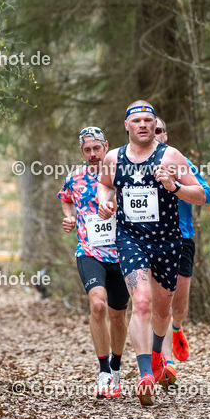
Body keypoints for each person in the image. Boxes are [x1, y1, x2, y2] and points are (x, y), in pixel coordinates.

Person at [97, 102, 206, 407]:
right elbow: (104, 186)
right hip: (131, 238)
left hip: (168, 241)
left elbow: (201, 195)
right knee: (141, 302)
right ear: (126, 125)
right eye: (137, 120)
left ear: (154, 124)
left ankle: (158, 354)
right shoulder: (113, 157)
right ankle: (146, 375)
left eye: (148, 120)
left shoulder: (171, 156)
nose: (143, 125)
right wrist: (104, 203)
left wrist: (173, 187)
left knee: (161, 311)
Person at [58, 126, 129, 398]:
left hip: (122, 254)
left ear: (106, 146)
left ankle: (117, 366)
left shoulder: (122, 175)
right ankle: (103, 370)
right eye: (87, 150)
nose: (92, 154)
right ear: (82, 151)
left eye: (97, 148)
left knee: (118, 315)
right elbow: (65, 199)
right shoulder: (74, 178)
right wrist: (70, 217)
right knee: (98, 304)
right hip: (89, 251)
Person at [154, 117, 210, 383]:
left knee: (178, 305)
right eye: (146, 128)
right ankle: (166, 363)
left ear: (165, 135)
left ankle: (177, 329)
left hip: (182, 238)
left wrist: (176, 186)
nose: (152, 134)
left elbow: (207, 194)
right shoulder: (129, 164)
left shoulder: (178, 161)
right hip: (149, 241)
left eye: (157, 130)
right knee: (157, 304)